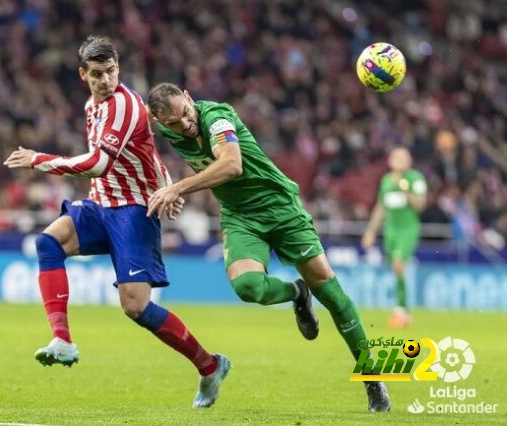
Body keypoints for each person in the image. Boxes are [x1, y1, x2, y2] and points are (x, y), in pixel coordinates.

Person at [3, 37, 230, 408]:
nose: (105, 79)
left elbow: (98, 164)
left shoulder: (124, 105)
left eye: (110, 71)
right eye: (97, 74)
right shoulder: (92, 106)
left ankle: (209, 365)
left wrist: (38, 159)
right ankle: (62, 340)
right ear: (83, 75)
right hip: (101, 203)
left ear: (118, 69)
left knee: (135, 307)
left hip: (133, 212)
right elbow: (146, 151)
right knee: (48, 242)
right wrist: (166, 185)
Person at [145, 82, 391, 412]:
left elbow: (232, 164)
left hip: (280, 207)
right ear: (160, 122)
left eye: (186, 114)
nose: (185, 125)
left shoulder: (216, 117)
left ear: (190, 99)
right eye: (174, 123)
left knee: (330, 293)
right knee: (247, 287)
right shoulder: (169, 132)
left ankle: (371, 377)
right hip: (240, 217)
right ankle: (296, 294)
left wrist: (178, 189)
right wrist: (166, 190)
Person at [362, 147, 427, 328]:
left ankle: (401, 310)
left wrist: (404, 188)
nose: (399, 160)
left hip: (408, 230)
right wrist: (370, 231)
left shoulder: (415, 179)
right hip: (390, 231)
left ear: (409, 161)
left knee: (399, 264)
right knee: (395, 268)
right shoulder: (385, 181)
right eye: (396, 157)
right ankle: (403, 311)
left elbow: (420, 205)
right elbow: (381, 207)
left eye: (403, 157)